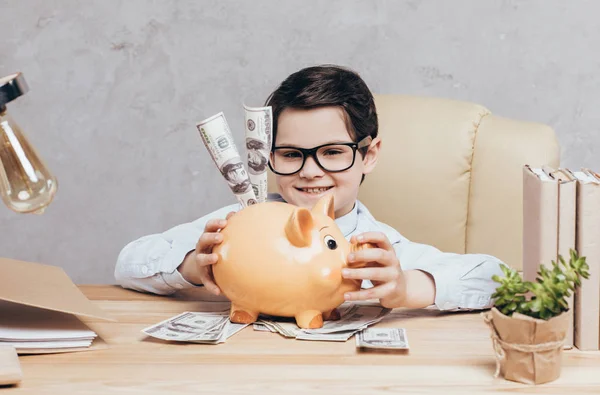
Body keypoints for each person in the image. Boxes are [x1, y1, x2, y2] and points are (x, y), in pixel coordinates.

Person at [115, 64, 503, 311]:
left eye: (333, 152)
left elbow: (501, 279)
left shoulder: (380, 252)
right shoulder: (235, 226)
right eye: (289, 154)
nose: (310, 172)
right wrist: (193, 267)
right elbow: (128, 262)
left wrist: (407, 288)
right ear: (266, 154)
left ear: (369, 155)